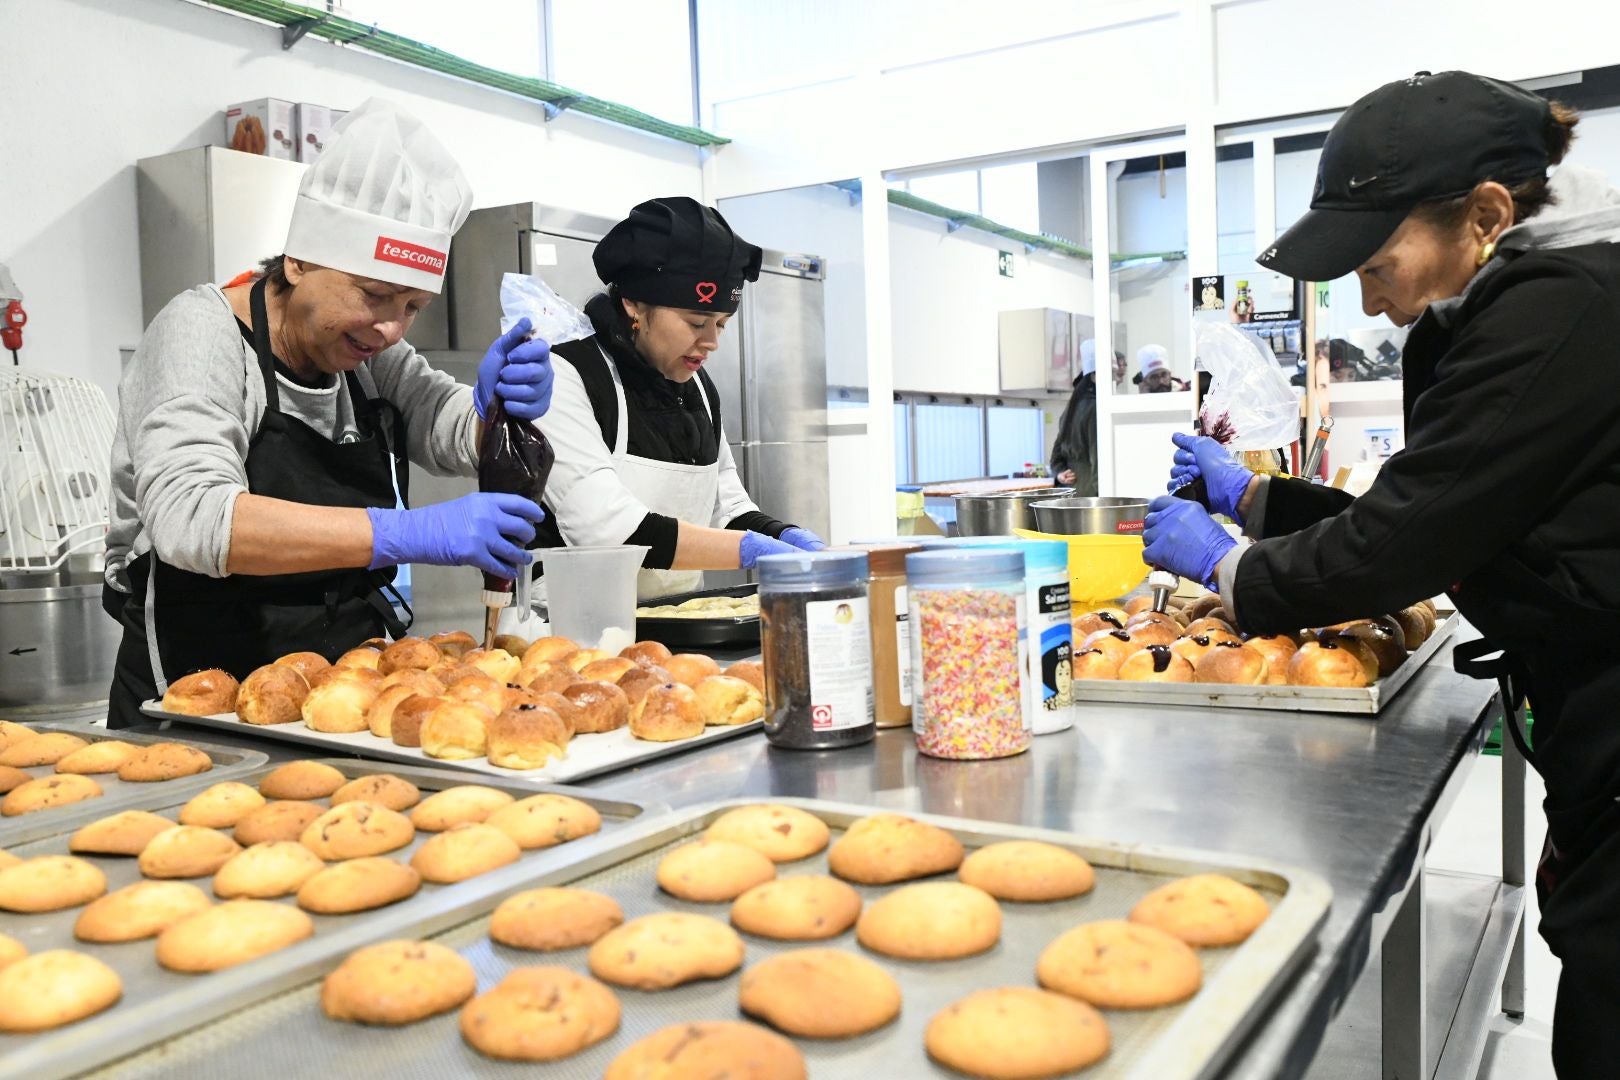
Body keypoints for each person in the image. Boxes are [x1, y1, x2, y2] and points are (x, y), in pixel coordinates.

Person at [1141, 71, 1620, 1074]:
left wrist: (1231, 566)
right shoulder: (1519, 294)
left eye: (1377, 258)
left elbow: (1401, 546)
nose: (1367, 295)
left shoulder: (1561, 306)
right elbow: (1448, 509)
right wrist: (1255, 500)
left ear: (1486, 214)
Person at [102, 99, 553, 728]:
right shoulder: (199, 333)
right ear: (300, 261)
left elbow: (442, 425)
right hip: (204, 693)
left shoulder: (366, 353)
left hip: (345, 691)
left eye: (413, 306)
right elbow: (192, 519)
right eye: (373, 296)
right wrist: (406, 532)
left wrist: (494, 411)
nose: (392, 328)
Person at [533, 197, 824, 599]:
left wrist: (782, 535)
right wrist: (746, 551)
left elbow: (726, 507)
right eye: (696, 322)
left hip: (671, 628)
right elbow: (606, 527)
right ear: (633, 304)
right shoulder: (565, 377)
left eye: (721, 324)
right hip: (569, 632)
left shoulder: (700, 389)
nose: (712, 342)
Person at [1048, 339, 1098, 495]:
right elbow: (1098, 461)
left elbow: (1056, 455)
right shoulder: (1094, 408)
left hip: (1072, 491)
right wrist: (1106, 497)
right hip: (1090, 492)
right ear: (1095, 376)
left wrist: (1060, 473)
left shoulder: (1073, 406)